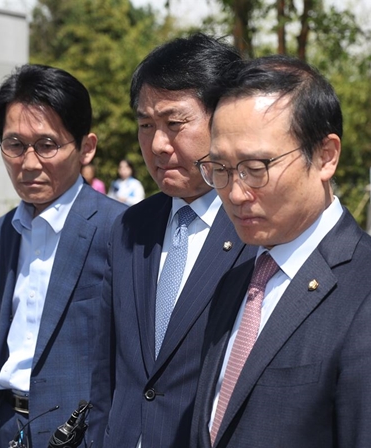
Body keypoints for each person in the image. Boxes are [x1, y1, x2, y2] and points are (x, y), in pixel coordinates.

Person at [190, 55, 371, 448]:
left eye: (256, 168)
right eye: (220, 168)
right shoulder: (237, 277)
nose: (236, 192)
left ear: (326, 155)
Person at [88, 34, 256, 448]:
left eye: (175, 123)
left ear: (222, 118)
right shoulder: (130, 228)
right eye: (146, 125)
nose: (158, 145)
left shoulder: (256, 234)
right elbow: (106, 367)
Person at [0, 64, 126, 448]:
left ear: (86, 147)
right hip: (6, 426)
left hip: (76, 434)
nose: (29, 164)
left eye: (47, 145)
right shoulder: (4, 231)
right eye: (14, 145)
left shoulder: (119, 229)